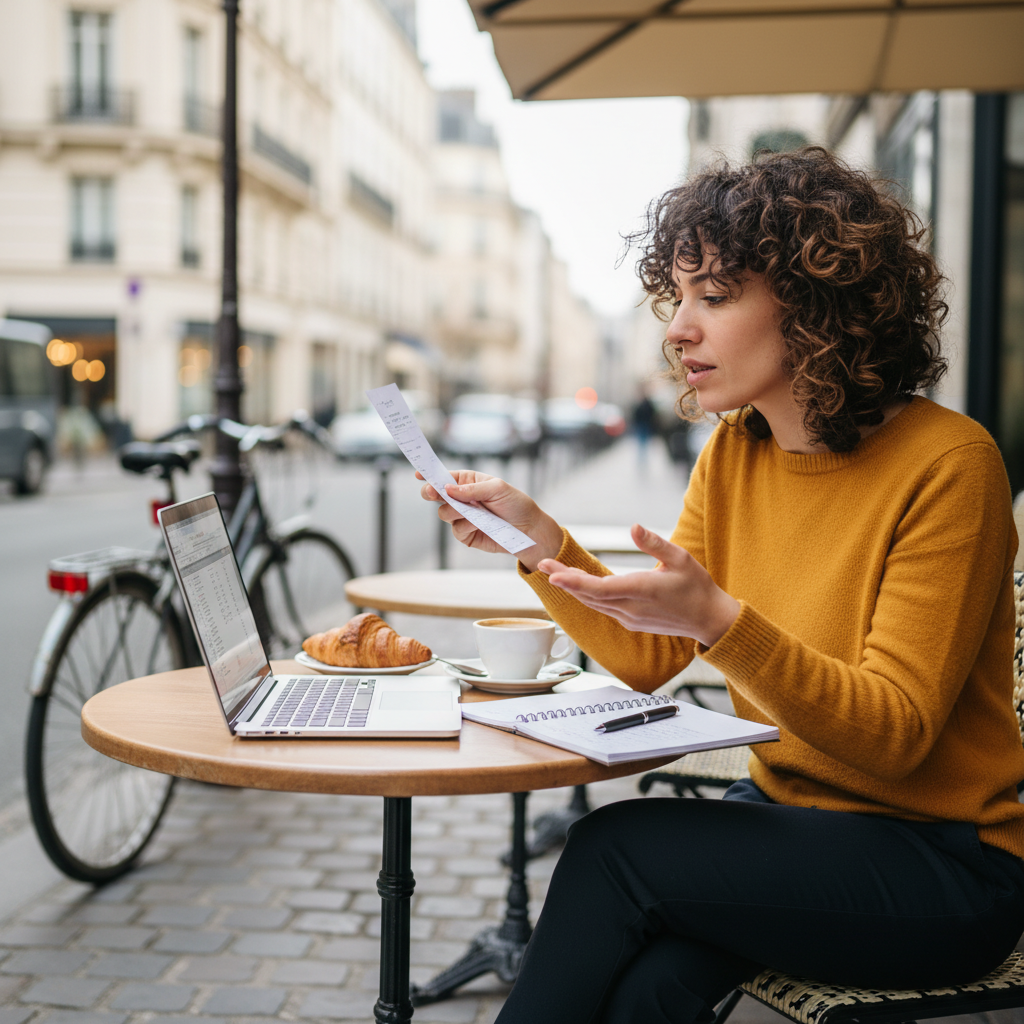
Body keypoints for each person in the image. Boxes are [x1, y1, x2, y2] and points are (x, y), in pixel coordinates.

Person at [419, 148, 1024, 1024]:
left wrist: (722, 622)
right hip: (792, 822)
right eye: (680, 296)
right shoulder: (736, 453)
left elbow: (893, 737)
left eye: (717, 295)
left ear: (816, 304)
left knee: (612, 847)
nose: (677, 328)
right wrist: (537, 538)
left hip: (942, 862)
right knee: (649, 988)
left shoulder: (950, 465)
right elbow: (645, 657)